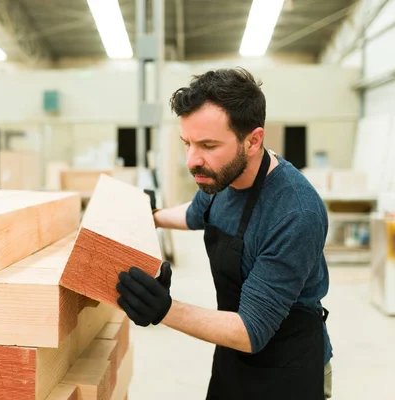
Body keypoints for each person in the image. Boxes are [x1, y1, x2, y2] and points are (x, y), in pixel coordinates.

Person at [115, 68, 333, 400]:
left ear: (253, 140)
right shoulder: (220, 177)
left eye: (207, 145)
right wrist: (151, 218)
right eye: (186, 143)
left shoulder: (295, 212)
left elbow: (251, 330)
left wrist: (164, 309)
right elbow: (195, 214)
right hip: (232, 354)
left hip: (288, 367)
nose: (192, 160)